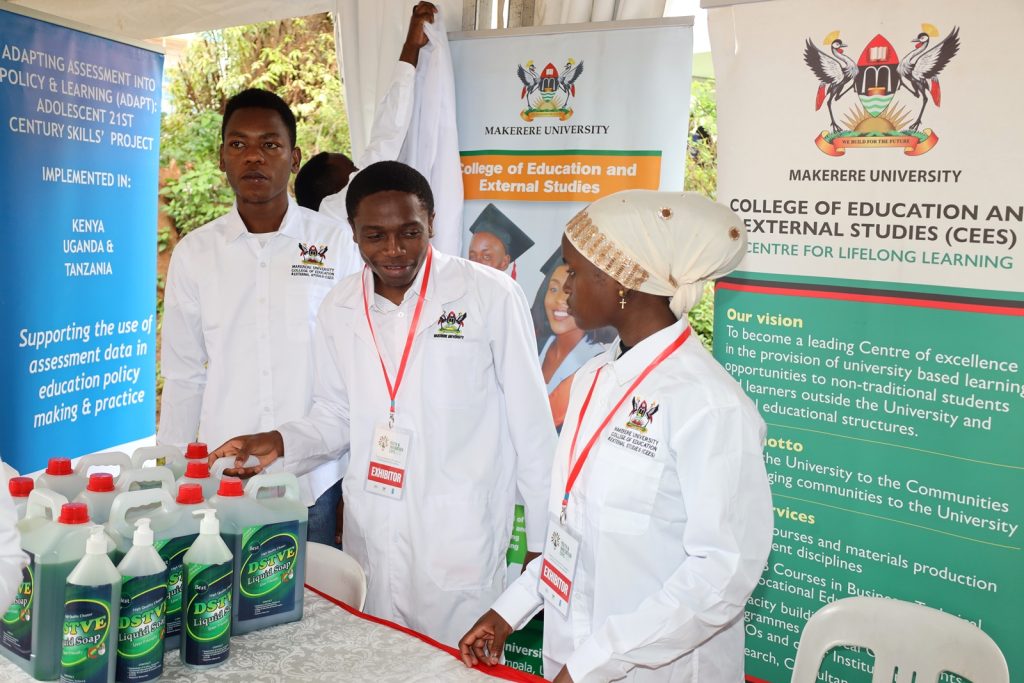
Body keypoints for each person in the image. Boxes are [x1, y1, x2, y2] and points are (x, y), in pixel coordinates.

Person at [210, 161, 558, 647]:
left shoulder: (488, 296)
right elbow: (335, 415)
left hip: (458, 535)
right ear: (353, 233)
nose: (393, 250)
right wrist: (279, 442)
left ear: (432, 224)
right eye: (375, 235)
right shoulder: (340, 306)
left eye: (409, 232)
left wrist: (544, 544)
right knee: (377, 657)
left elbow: (533, 431)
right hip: (372, 528)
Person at [459, 190, 773, 682]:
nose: (564, 293)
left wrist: (595, 661)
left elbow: (722, 573)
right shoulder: (593, 381)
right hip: (574, 654)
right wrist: (511, 609)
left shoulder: (708, 403)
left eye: (574, 273)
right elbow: (573, 527)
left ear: (620, 283)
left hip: (653, 670)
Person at [159, 5, 439, 550]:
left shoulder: (336, 240)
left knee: (314, 618)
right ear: (221, 157)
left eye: (270, 144)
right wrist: (174, 473)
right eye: (238, 144)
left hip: (313, 476)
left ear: (294, 155)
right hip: (223, 477)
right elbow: (186, 374)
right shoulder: (197, 254)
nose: (254, 157)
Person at [531, 249, 609, 429]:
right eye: (553, 289)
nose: (559, 300)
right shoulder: (533, 346)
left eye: (570, 291)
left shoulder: (597, 363)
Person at [467, 203, 534, 277]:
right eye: (472, 256)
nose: (476, 263)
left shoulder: (509, 289)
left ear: (504, 263)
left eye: (486, 257)